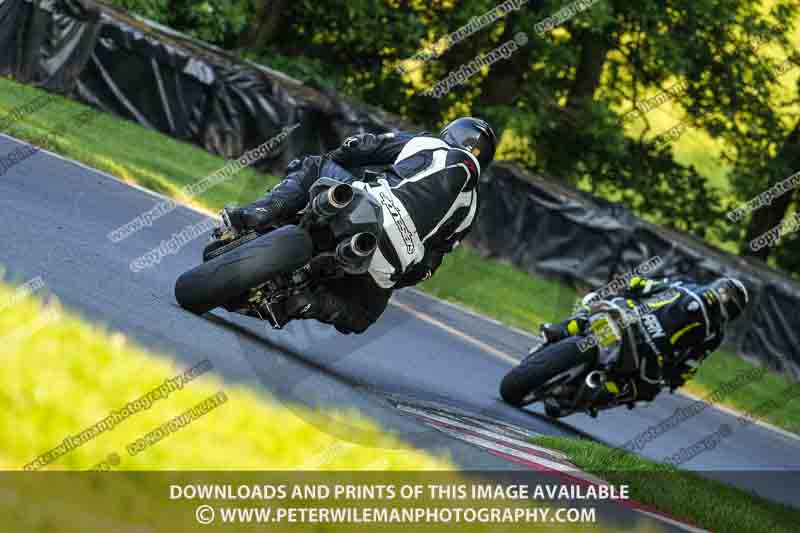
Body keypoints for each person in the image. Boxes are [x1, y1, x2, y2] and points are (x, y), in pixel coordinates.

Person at [213, 117, 497, 334]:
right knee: (362, 316)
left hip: (364, 205)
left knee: (314, 166)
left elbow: (364, 146)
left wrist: (335, 160)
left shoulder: (431, 145)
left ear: (451, 134)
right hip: (392, 257)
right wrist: (391, 278)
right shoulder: (470, 210)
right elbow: (428, 268)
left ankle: (255, 214)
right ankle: (309, 303)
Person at [538, 276, 749, 406]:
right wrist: (676, 379)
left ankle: (561, 335)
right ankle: (563, 335)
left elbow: (643, 284)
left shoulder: (690, 289)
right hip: (644, 340)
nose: (724, 298)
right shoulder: (713, 329)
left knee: (647, 390)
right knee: (594, 304)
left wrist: (632, 287)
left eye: (729, 298)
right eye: (727, 294)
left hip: (640, 335)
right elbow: (691, 363)